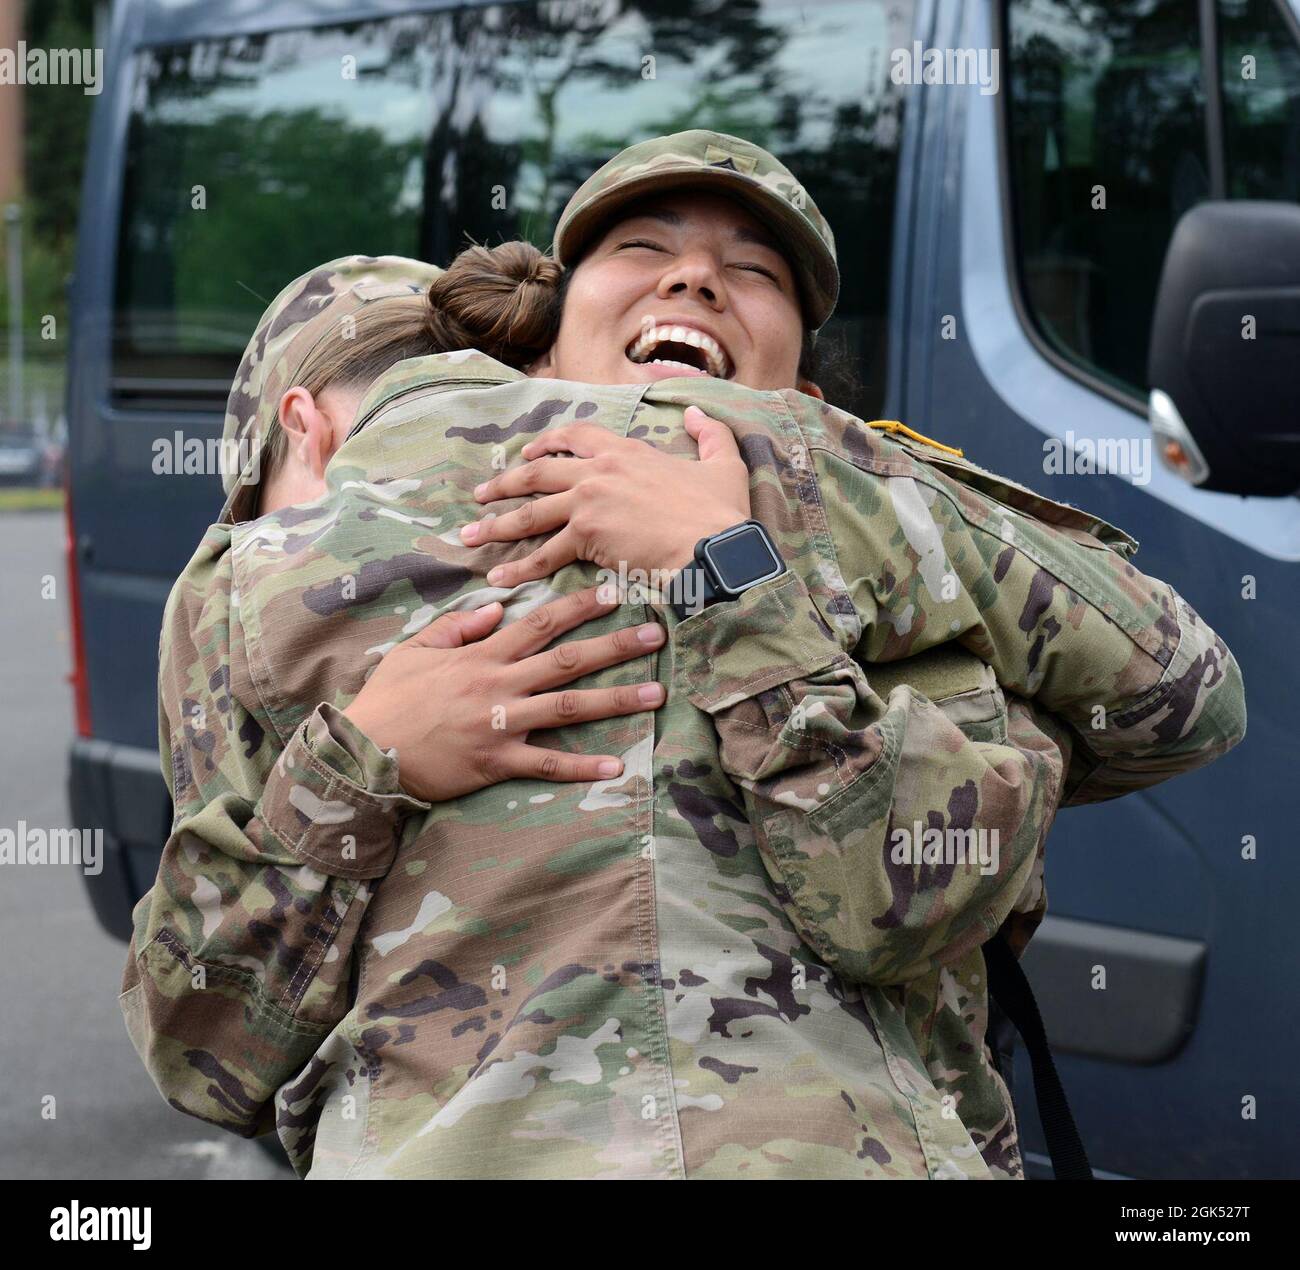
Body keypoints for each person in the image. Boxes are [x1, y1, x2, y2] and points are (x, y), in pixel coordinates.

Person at [122, 131, 1245, 1179]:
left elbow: (1183, 699)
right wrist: (368, 756)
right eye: (642, 249)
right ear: (545, 351)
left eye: (753, 272)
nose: (697, 279)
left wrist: (739, 556)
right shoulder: (309, 571)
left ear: (800, 388)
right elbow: (206, 1048)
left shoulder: (866, 509)